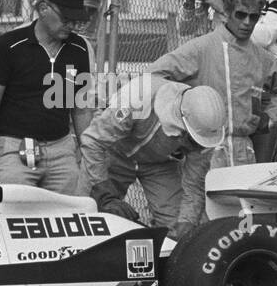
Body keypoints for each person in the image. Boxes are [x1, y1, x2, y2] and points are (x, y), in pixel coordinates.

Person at [149, 0, 277, 186]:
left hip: (244, 154)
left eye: (254, 17)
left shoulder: (262, 58)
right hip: (204, 151)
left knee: (243, 215)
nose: (247, 22)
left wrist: (269, 117)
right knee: (206, 214)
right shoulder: (201, 48)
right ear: (227, 12)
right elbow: (153, 75)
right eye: (241, 15)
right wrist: (178, 116)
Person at [0, 0, 94, 193]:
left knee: (67, 217)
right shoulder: (9, 45)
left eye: (76, 20)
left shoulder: (79, 49)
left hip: (62, 149)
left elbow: (81, 108)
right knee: (16, 214)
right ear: (43, 8)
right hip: (15, 147)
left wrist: (88, 159)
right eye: (66, 18)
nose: (72, 25)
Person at [79, 76, 225, 240]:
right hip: (113, 154)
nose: (194, 146)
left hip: (159, 164)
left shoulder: (205, 130)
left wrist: (186, 223)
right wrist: (104, 194)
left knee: (178, 224)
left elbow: (193, 187)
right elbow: (93, 141)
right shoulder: (137, 97)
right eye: (191, 139)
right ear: (180, 122)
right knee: (86, 216)